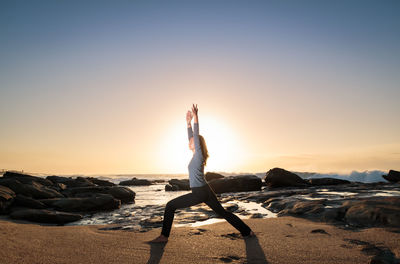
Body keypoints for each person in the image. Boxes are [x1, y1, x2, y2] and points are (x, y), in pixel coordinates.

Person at [149, 104, 255, 243]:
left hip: (199, 192)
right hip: (205, 189)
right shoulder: (196, 156)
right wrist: (187, 123)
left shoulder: (198, 155)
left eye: (192, 140)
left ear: (197, 143)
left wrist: (196, 118)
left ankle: (164, 236)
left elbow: (195, 134)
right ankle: (248, 231)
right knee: (223, 212)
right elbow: (191, 136)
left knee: (170, 206)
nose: (189, 141)